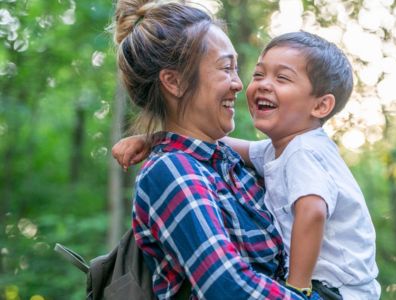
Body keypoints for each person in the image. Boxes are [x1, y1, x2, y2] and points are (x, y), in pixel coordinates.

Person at [114, 31, 380, 299]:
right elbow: (226, 285)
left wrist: (298, 288)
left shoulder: (303, 152)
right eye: (258, 74)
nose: (250, 85)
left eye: (282, 78)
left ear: (321, 106)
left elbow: (312, 212)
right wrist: (154, 139)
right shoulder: (275, 152)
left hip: (336, 290)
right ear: (174, 82)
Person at [112, 0, 312, 298]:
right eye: (226, 68)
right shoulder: (171, 171)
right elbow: (227, 286)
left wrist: (150, 138)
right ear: (174, 82)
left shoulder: (230, 164)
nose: (238, 84)